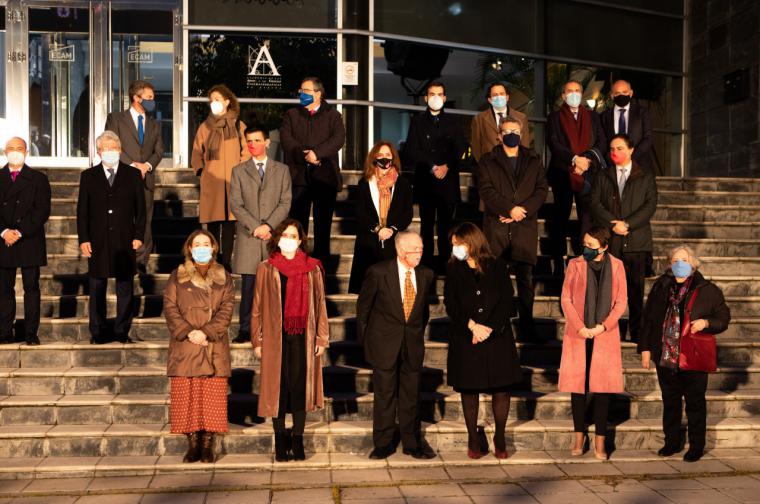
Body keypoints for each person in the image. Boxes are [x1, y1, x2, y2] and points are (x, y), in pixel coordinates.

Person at [638, 245, 731, 462]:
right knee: (670, 401)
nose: (680, 264)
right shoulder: (661, 286)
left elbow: (723, 318)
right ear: (670, 264)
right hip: (666, 354)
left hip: (693, 354)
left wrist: (706, 322)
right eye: (675, 260)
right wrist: (645, 349)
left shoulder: (708, 290)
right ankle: (672, 442)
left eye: (684, 260)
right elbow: (648, 319)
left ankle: (696, 446)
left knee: (695, 403)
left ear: (693, 264)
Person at [251, 219, 329, 462]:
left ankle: (297, 438)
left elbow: (320, 304)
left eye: (293, 235)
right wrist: (257, 340)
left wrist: (321, 337)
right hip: (276, 338)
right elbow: (256, 307)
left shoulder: (313, 268)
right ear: (277, 238)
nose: (289, 239)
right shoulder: (266, 267)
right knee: (278, 388)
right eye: (284, 234)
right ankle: (279, 438)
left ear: (300, 240)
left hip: (303, 337)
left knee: (299, 387)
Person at [444, 222, 522, 459]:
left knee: (501, 389)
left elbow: (507, 301)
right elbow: (451, 304)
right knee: (469, 389)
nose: (455, 249)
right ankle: (472, 438)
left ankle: (499, 436)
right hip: (467, 337)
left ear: (472, 242)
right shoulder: (454, 270)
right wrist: (472, 326)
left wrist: (487, 328)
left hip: (495, 337)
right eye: (453, 245)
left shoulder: (497, 266)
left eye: (459, 244)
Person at [356, 231, 436, 460]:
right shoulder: (379, 272)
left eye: (421, 249)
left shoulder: (426, 274)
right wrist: (367, 343)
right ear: (401, 251)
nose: (420, 254)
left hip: (412, 344)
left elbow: (423, 313)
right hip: (383, 344)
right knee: (385, 395)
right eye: (415, 250)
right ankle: (383, 443)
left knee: (411, 395)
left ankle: (412, 442)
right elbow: (364, 310)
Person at [164, 229, 235, 464]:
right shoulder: (178, 275)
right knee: (189, 396)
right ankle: (193, 442)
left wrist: (206, 333)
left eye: (207, 243)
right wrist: (188, 333)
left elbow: (226, 310)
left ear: (214, 248)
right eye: (198, 244)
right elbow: (170, 307)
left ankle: (207, 444)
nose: (202, 247)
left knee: (211, 396)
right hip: (185, 345)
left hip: (212, 343)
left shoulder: (224, 276)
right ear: (190, 249)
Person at [558, 227, 627, 460]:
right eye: (585, 244)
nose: (586, 248)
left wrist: (603, 326)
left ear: (604, 247)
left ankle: (600, 439)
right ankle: (579, 436)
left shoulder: (617, 266)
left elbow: (621, 302)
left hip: (604, 333)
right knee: (578, 388)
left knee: (602, 388)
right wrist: (580, 326)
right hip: (578, 333)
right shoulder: (575, 264)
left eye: (591, 246)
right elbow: (566, 298)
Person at [477, 116, 548, 340]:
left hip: (524, 229)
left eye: (515, 130)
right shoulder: (488, 161)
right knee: (495, 283)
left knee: (526, 283)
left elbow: (541, 189)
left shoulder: (534, 160)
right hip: (497, 229)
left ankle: (527, 327)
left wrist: (521, 211)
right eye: (507, 130)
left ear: (521, 133)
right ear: (499, 135)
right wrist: (510, 209)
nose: (511, 134)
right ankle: (498, 327)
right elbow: (486, 191)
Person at [77, 131, 146, 344]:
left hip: (124, 239)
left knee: (125, 286)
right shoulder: (88, 176)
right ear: (98, 152)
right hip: (97, 240)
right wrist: (84, 239)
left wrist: (138, 235)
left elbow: (141, 209)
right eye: (105, 148)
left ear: (120, 150)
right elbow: (82, 211)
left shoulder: (132, 175)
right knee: (97, 286)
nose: (110, 152)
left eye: (113, 148)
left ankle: (121, 330)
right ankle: (98, 331)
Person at [590, 134, 657, 342]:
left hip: (636, 241)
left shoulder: (645, 176)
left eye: (619, 148)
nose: (614, 153)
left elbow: (649, 206)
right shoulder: (603, 175)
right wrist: (614, 223)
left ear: (631, 150)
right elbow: (594, 203)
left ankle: (636, 332)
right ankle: (611, 331)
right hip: (611, 240)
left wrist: (627, 224)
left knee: (636, 292)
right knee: (609, 291)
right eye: (611, 149)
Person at [229, 126, 292, 343]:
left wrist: (269, 226)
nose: (252, 144)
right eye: (249, 141)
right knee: (249, 288)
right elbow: (236, 205)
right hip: (250, 236)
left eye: (257, 140)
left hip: (273, 237)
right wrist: (256, 227)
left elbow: (285, 203)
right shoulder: (238, 171)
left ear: (267, 142)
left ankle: (274, 327)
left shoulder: (282, 170)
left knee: (275, 285)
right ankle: (245, 329)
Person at [280, 77, 346, 260]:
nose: (302, 94)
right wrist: (305, 155)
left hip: (325, 178)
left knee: (322, 227)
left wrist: (317, 153)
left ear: (318, 94)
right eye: (301, 91)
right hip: (298, 178)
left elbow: (338, 139)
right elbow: (286, 140)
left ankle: (319, 269)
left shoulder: (332, 115)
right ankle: (296, 264)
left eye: (307, 91)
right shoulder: (292, 115)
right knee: (297, 227)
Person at [403, 81, 467, 269]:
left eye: (439, 94)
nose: (436, 98)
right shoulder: (417, 121)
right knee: (427, 225)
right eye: (432, 94)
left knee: (447, 226)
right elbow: (411, 149)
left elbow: (462, 148)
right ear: (426, 98)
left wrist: (446, 166)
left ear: (445, 98)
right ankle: (427, 263)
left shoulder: (453, 122)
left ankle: (447, 264)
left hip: (448, 182)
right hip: (426, 181)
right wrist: (432, 166)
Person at [546, 80, 605, 277]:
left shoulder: (593, 116)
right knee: (560, 218)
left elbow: (601, 142)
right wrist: (574, 159)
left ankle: (585, 258)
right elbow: (554, 143)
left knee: (586, 219)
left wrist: (585, 160)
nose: (573, 94)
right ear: (563, 96)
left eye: (577, 91)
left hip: (588, 173)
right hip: (562, 173)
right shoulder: (554, 117)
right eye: (569, 91)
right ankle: (558, 263)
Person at [105, 79, 164, 272]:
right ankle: (120, 258)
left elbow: (159, 151)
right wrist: (131, 166)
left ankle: (141, 261)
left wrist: (146, 166)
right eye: (149, 98)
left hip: (145, 179)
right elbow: (111, 145)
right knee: (122, 218)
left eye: (152, 98)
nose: (152, 102)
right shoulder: (116, 119)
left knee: (144, 219)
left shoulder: (155, 124)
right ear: (136, 98)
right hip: (121, 177)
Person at [191, 84, 250, 270]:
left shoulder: (238, 125)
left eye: (217, 100)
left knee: (230, 222)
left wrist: (241, 169)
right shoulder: (205, 126)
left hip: (233, 180)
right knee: (214, 222)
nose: (214, 103)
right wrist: (201, 171)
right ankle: (214, 259)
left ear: (227, 101)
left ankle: (226, 261)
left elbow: (246, 149)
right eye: (211, 100)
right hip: (212, 179)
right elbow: (196, 151)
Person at [0, 137, 51, 345]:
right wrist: (4, 232)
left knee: (31, 288)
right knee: (4, 289)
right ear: (4, 152)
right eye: (11, 149)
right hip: (3, 240)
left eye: (19, 149)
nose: (15, 152)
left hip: (29, 239)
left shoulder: (39, 179)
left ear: (26, 152)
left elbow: (42, 211)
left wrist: (19, 231)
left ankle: (31, 332)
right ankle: (4, 331)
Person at [348, 141, 413, 294]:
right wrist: (378, 229)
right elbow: (359, 212)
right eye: (381, 155)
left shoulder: (403, 184)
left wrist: (391, 229)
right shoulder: (365, 183)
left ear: (393, 158)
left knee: (391, 291)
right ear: (374, 158)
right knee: (367, 291)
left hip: (393, 241)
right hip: (369, 243)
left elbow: (407, 213)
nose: (384, 158)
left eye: (388, 155)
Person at [599, 80, 654, 173]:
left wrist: (630, 158)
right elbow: (602, 141)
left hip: (640, 166)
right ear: (612, 96)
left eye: (625, 92)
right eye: (617, 93)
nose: (621, 95)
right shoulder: (604, 116)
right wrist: (612, 159)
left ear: (631, 93)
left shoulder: (642, 113)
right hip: (612, 168)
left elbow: (648, 138)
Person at [470, 82, 531, 162]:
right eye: (495, 95)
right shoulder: (479, 119)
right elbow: (476, 146)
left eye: (502, 94)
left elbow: (525, 145)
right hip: (489, 166)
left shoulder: (521, 117)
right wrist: (483, 165)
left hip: (514, 165)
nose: (499, 97)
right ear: (490, 99)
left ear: (507, 97)